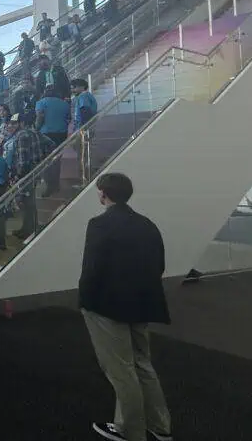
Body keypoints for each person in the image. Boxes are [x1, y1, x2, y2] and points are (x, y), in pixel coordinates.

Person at [80, 173, 172, 441]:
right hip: (141, 303)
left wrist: (84, 301)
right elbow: (159, 265)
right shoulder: (147, 224)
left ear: (104, 193)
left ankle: (129, 430)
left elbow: (92, 269)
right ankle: (160, 426)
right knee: (142, 364)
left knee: (121, 370)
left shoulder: (99, 224)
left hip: (106, 306)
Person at [6, 115, 53, 239]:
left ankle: (29, 229)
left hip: (26, 173)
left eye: (14, 123)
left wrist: (18, 175)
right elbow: (51, 144)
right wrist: (42, 159)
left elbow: (22, 160)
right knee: (30, 201)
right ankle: (30, 226)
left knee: (27, 202)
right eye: (10, 123)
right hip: (36, 171)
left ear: (21, 123)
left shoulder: (21, 135)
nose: (11, 126)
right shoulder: (36, 132)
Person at [36, 85, 72, 197]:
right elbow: (69, 118)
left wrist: (35, 129)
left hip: (46, 134)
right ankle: (56, 184)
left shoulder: (41, 102)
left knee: (45, 160)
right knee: (57, 160)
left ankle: (49, 185)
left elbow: (40, 117)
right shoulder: (65, 104)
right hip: (61, 134)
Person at [72, 79, 100, 182]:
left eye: (74, 87)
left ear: (82, 87)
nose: (73, 90)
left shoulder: (83, 96)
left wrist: (84, 128)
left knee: (82, 155)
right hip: (84, 128)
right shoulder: (87, 96)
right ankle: (86, 177)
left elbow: (85, 111)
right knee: (81, 152)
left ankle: (84, 179)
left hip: (83, 129)